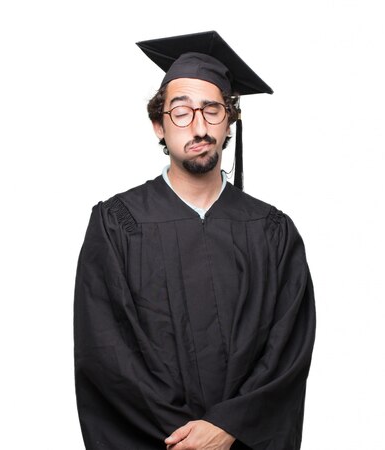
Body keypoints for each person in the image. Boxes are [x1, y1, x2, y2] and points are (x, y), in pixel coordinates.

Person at [74, 31, 316, 450]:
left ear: (230, 122)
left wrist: (227, 427)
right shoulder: (117, 224)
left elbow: (288, 350)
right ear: (159, 125)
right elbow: (106, 351)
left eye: (212, 110)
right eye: (181, 112)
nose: (199, 126)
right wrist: (187, 439)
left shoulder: (272, 231)